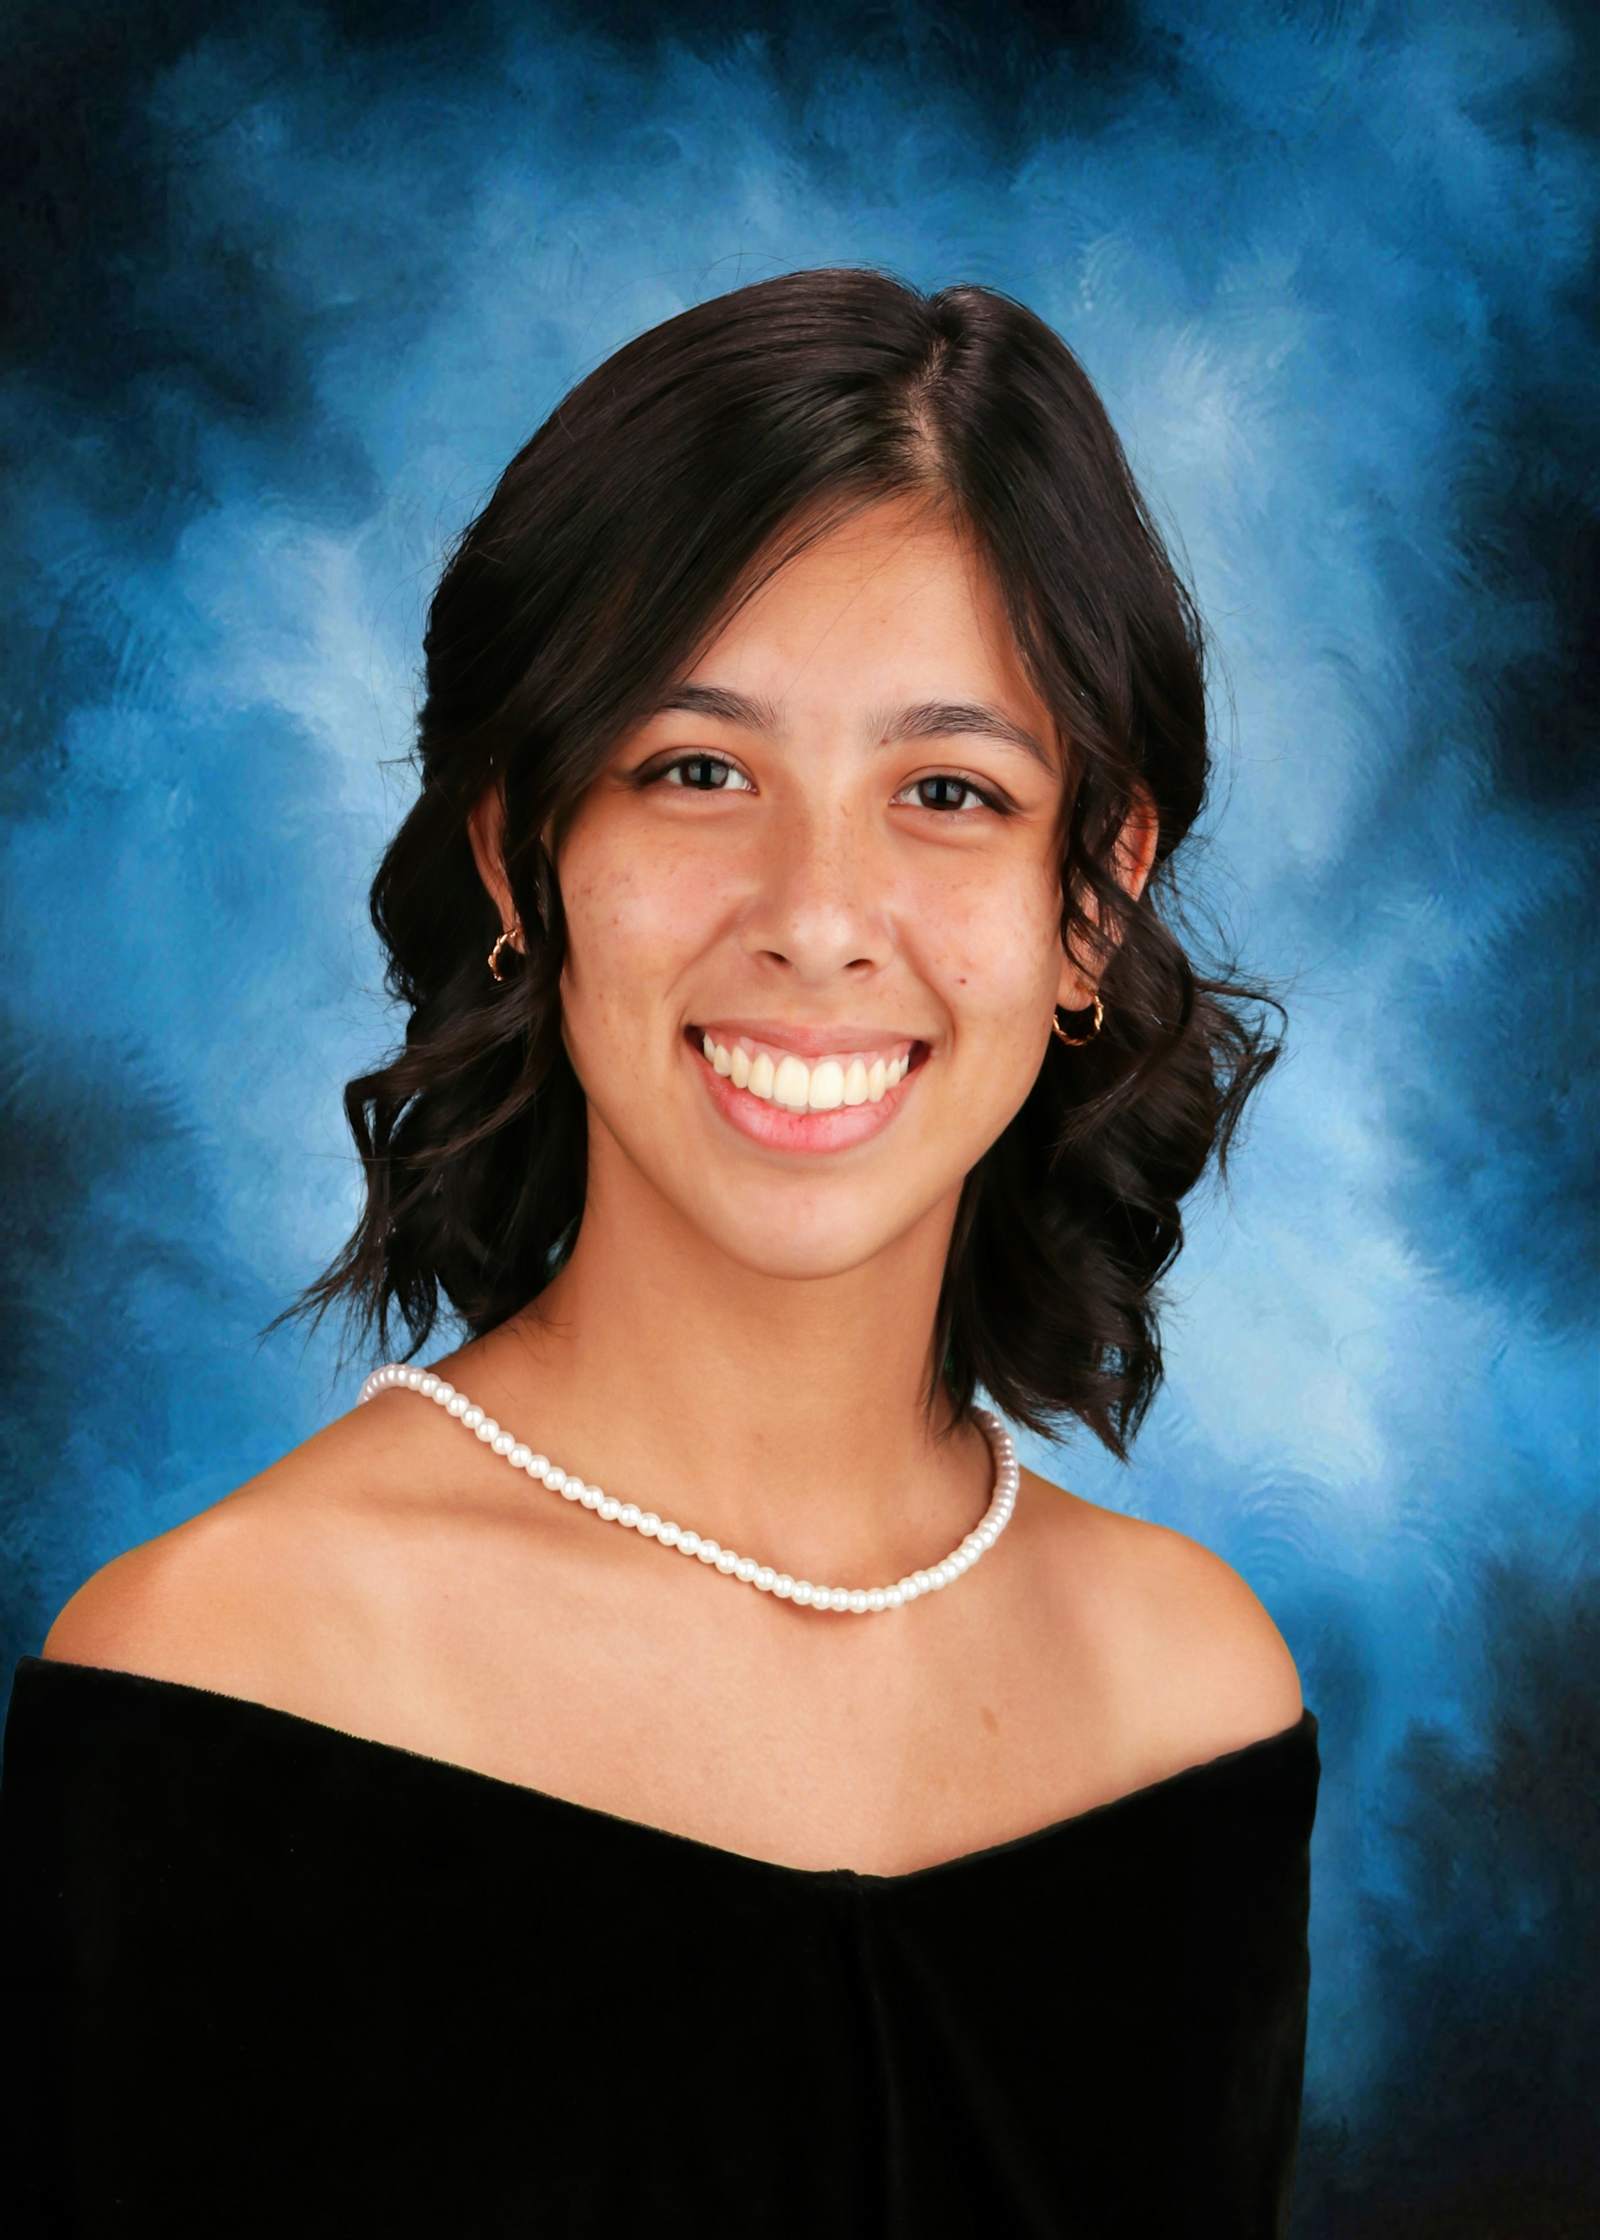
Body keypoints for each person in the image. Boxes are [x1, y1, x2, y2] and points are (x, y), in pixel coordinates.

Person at [0, 266, 1320, 2234]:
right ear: (520, 853)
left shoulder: (1192, 1703)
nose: (814, 915)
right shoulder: (223, 1685)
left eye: (947, 793)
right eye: (696, 769)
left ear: (1088, 901)